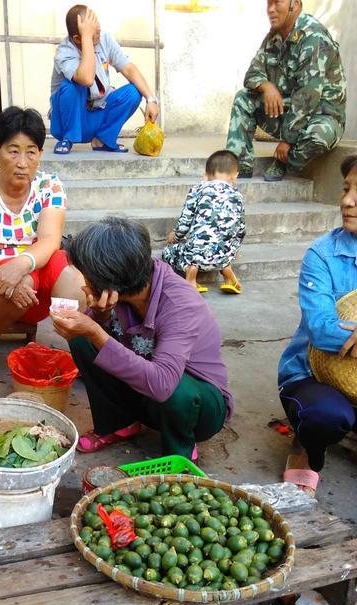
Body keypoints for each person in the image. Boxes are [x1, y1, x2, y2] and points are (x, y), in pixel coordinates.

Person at [50, 218, 233, 459]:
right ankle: (119, 423)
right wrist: (100, 317)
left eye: (86, 276)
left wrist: (96, 331)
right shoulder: (126, 285)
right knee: (82, 338)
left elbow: (162, 384)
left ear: (108, 278)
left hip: (199, 408)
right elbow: (103, 337)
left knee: (177, 389)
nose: (83, 283)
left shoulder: (181, 304)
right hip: (146, 394)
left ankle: (180, 451)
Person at [0, 106, 84, 383]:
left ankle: (78, 345)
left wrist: (21, 264)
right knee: (20, 282)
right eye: (13, 151)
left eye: (31, 151)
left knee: (71, 274)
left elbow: (50, 240)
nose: (23, 162)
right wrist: (0, 278)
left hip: (36, 289)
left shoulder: (49, 186)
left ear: (40, 154)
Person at [277, 155, 357, 496]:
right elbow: (323, 329)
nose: (347, 200)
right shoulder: (323, 254)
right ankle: (306, 450)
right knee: (324, 415)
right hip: (310, 375)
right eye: (346, 188)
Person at [225, 0, 345, 183]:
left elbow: (307, 97)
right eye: (268, 4)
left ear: (295, 4)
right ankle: (239, 166)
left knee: (318, 137)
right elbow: (251, 75)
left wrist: (287, 141)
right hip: (288, 110)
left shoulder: (314, 38)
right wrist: (267, 87)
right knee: (244, 98)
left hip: (322, 116)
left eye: (277, 2)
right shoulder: (274, 36)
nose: (271, 10)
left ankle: (285, 162)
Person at [49, 4, 159, 155]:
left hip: (96, 114)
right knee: (72, 85)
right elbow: (86, 79)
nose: (99, 35)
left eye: (98, 29)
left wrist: (151, 100)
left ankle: (102, 140)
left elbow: (128, 68)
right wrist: (87, 38)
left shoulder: (105, 39)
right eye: (94, 33)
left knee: (134, 92)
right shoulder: (64, 52)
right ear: (77, 38)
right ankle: (68, 139)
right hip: (68, 121)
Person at [162, 150, 246, 295]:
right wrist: (233, 250)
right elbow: (241, 229)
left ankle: (190, 272)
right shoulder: (237, 196)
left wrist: (175, 236)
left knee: (167, 252)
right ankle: (226, 271)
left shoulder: (198, 189)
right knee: (223, 249)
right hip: (224, 255)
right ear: (235, 175)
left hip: (197, 255)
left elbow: (185, 222)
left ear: (205, 174)